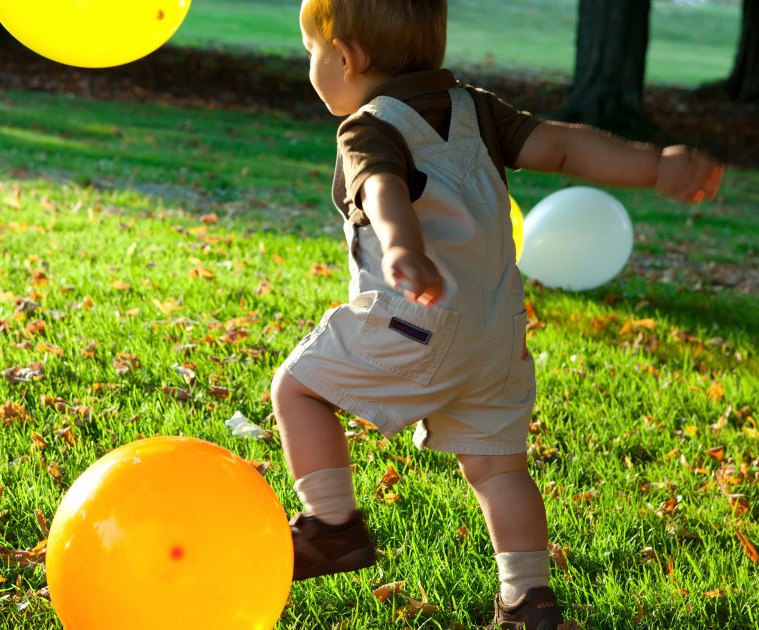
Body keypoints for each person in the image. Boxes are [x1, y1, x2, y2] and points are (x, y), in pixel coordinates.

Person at [272, 0, 724, 628]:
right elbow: (566, 149)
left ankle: (332, 524)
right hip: (496, 335)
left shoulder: (368, 128)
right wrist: (656, 166)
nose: (312, 65)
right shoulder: (477, 109)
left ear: (344, 57)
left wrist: (402, 245)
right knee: (499, 468)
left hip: (415, 323)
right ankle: (528, 601)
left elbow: (382, 189)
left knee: (297, 389)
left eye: (311, 53)